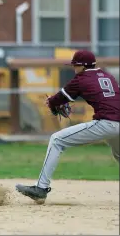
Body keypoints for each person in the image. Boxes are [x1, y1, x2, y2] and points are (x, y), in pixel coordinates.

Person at [16, 50, 120, 204]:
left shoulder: (81, 78)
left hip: (106, 123)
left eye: (75, 65)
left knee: (57, 140)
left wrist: (51, 102)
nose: (73, 68)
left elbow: (58, 99)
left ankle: (41, 189)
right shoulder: (108, 77)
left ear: (82, 66)